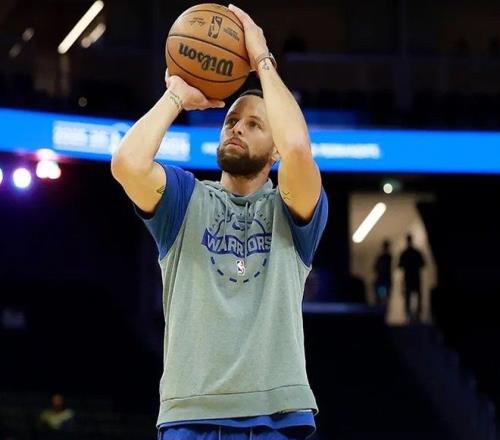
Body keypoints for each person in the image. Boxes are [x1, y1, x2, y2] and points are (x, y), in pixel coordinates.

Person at [111, 5, 328, 439]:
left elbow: (298, 149)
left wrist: (262, 59)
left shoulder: (291, 210)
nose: (237, 129)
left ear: (274, 150)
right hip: (190, 414)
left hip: (277, 415)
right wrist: (176, 95)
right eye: (231, 120)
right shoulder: (184, 199)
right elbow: (127, 164)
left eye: (254, 124)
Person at [398, 234, 425, 323]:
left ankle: (409, 313)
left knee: (408, 295)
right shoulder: (416, 252)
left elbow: (400, 265)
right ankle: (417, 313)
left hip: (408, 277)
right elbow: (423, 264)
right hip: (415, 277)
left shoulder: (405, 253)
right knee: (417, 295)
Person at [373, 240, 392, 308]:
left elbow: (375, 267)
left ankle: (381, 308)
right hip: (384, 280)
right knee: (383, 297)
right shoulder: (387, 256)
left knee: (382, 297)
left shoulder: (383, 257)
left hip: (383, 280)